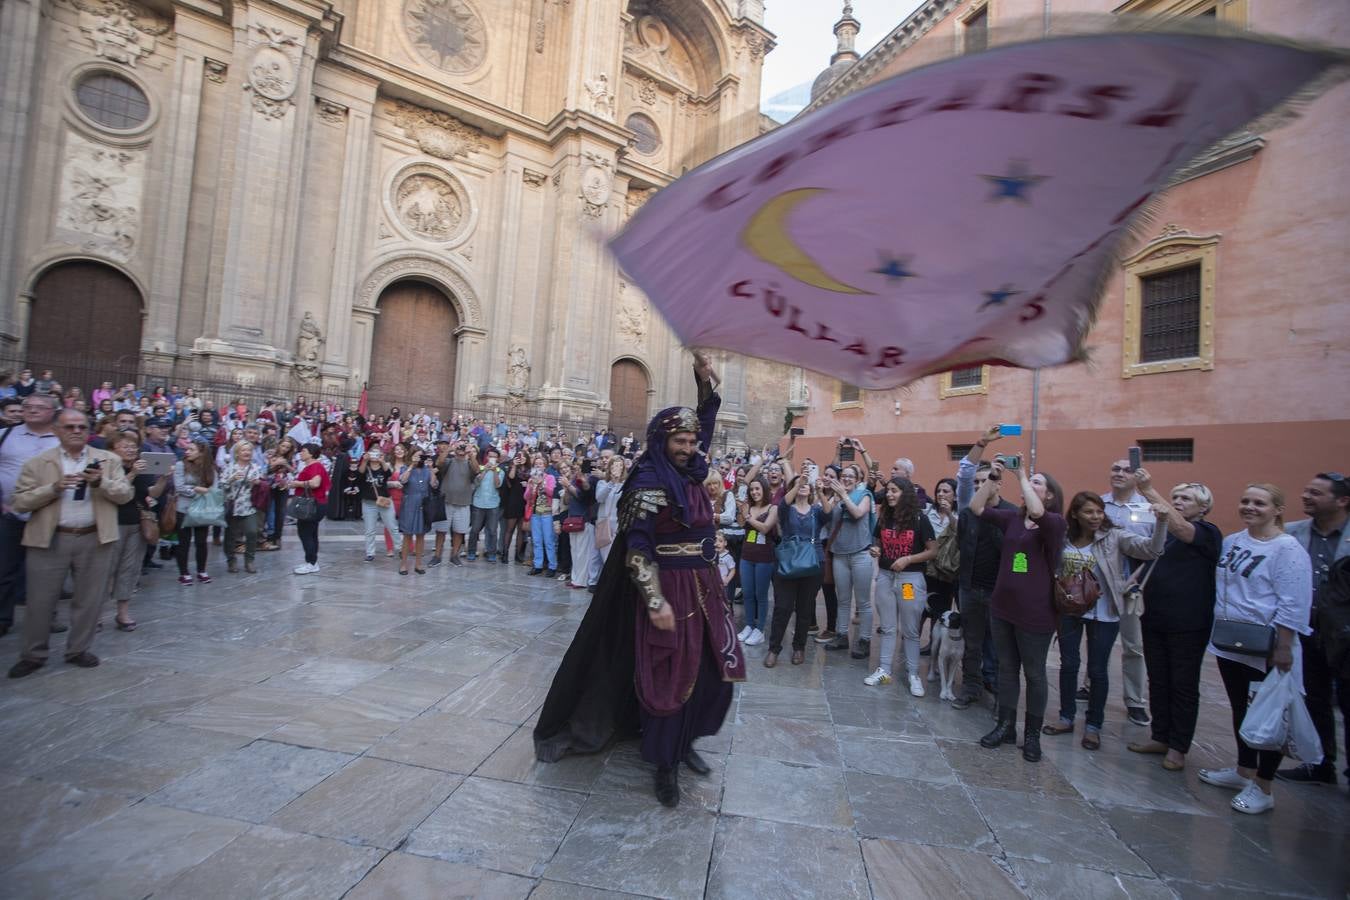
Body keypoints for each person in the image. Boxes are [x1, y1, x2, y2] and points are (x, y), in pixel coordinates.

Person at [534, 352, 745, 809]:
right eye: (682, 441)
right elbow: (638, 550)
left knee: (712, 673)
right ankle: (664, 763)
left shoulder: (687, 466)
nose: (691, 446)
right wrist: (654, 600)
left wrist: (703, 380)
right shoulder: (649, 479)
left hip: (707, 587)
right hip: (671, 591)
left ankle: (685, 742)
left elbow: (703, 424)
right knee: (672, 675)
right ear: (663, 441)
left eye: (693, 440)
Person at [1199, 484, 1312, 814]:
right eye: (1245, 500)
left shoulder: (1287, 549)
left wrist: (1285, 646)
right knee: (1240, 708)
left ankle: (1264, 785)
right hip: (1232, 640)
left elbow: (1294, 601)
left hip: (1268, 646)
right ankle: (1243, 770)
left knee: (1269, 715)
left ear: (1277, 509)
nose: (1249, 507)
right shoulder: (1233, 542)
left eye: (1259, 503)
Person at [6, 410, 131, 678]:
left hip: (94, 537)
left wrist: (101, 482)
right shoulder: (39, 463)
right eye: (70, 426)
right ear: (57, 430)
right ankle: (33, 654)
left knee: (89, 599)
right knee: (40, 601)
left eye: (82, 427)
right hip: (51, 538)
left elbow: (124, 494)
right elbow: (19, 502)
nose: (76, 431)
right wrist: (53, 488)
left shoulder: (108, 460)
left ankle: (78, 649)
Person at [1043, 489, 1167, 750]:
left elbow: (1152, 550)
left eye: (1099, 511)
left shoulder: (1115, 536)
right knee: (1068, 664)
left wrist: (1162, 523)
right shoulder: (1065, 538)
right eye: (1089, 511)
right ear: (1075, 514)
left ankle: (1093, 726)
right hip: (1070, 610)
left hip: (1105, 612)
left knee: (1098, 670)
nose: (1096, 516)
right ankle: (1066, 717)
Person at [969, 455, 1065, 762]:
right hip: (1003, 606)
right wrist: (994, 479)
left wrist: (1021, 472)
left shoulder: (1054, 523)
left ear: (1050, 494)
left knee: (1035, 674)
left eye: (1038, 482)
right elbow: (976, 508)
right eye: (1029, 481)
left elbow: (1037, 512)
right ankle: (1005, 725)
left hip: (1036, 612)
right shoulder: (1011, 519)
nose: (1030, 484)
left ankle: (1032, 734)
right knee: (1007, 669)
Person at [1125, 476, 1222, 771]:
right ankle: (1160, 736)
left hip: (1188, 622)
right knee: (1159, 678)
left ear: (1204, 507)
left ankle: (1178, 747)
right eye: (1176, 497)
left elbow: (1181, 528)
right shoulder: (1166, 534)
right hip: (1156, 616)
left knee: (1183, 684)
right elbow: (1152, 558)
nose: (1178, 502)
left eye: (1186, 499)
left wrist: (1147, 491)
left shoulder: (1206, 532)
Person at [1277, 472, 1350, 786]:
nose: (1306, 496)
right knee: (1315, 699)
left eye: (1316, 493)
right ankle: (1320, 763)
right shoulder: (1292, 533)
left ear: (1342, 500)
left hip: (1345, 635)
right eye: (1306, 491)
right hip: (1307, 631)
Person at [951, 426, 1012, 710]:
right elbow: (963, 473)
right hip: (969, 586)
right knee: (972, 641)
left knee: (999, 644)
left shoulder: (1012, 513)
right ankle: (972, 686)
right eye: (976, 483)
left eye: (985, 482)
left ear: (998, 483)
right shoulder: (967, 511)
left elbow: (1020, 555)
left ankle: (996, 684)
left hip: (1000, 591)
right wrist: (981, 444)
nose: (978, 487)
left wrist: (1016, 579)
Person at [867, 476, 937, 694]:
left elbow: (933, 550)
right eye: (888, 491)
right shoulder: (884, 517)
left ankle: (913, 674)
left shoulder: (919, 519)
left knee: (910, 629)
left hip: (909, 581)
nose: (889, 494)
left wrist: (908, 559)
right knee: (887, 627)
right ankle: (884, 670)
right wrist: (875, 549)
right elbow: (877, 541)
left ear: (905, 493)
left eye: (894, 491)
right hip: (886, 578)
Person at [0, 393, 62, 637]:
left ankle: (47, 618)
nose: (31, 410)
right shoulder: (5, 435)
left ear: (52, 411)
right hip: (10, 514)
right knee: (5, 570)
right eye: (28, 406)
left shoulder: (61, 439)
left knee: (48, 572)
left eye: (39, 407)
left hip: (48, 515)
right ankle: (3, 618)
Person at [1102, 457, 1156, 726]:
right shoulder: (1098, 505)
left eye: (1127, 470)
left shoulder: (1148, 508)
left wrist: (1139, 580)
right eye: (1115, 468)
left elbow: (1155, 551)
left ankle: (1135, 700)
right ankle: (1090, 686)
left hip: (1132, 587)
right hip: (1100, 586)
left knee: (1133, 646)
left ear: (1138, 477)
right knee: (1096, 641)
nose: (1120, 473)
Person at [766, 474, 829, 668]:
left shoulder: (816, 511)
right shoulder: (786, 510)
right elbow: (783, 504)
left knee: (805, 608)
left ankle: (799, 647)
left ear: (810, 490)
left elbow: (829, 513)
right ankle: (774, 649)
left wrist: (820, 491)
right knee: (782, 607)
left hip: (813, 563)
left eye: (805, 485)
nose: (802, 487)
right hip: (787, 563)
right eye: (798, 485)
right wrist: (797, 483)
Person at [108, 431, 167, 630]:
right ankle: (96, 614)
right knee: (106, 570)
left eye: (133, 447)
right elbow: (114, 493)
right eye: (125, 446)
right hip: (112, 522)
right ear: (113, 449)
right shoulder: (108, 466)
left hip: (137, 522)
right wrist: (132, 473)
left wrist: (163, 480)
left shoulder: (143, 467)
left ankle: (122, 613)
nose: (131, 450)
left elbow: (151, 493)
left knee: (130, 569)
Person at [824, 463, 875, 659]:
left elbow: (857, 513)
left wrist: (843, 495)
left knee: (863, 602)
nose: (846, 479)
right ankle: (842, 634)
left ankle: (864, 639)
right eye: (843, 476)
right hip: (839, 554)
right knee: (843, 599)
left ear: (857, 479)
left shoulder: (865, 496)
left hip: (860, 554)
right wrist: (830, 496)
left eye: (850, 476)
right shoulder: (837, 497)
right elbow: (828, 519)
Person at [736, 477, 776, 646]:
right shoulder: (749, 507)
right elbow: (740, 524)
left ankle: (760, 629)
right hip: (746, 555)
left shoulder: (773, 508)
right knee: (748, 593)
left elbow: (765, 528)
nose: (754, 492)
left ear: (764, 489)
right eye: (752, 489)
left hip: (764, 558)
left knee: (761, 595)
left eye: (757, 489)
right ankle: (749, 625)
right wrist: (742, 512)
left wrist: (748, 516)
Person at [171, 440, 216, 585]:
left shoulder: (210, 469)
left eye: (191, 449)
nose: (187, 452)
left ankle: (201, 570)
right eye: (187, 449)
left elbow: (214, 489)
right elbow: (179, 487)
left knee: (201, 542)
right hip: (184, 509)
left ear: (201, 453)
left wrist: (200, 491)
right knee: (183, 542)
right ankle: (183, 572)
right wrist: (198, 490)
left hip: (203, 510)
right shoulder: (180, 465)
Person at [220, 441, 265, 574]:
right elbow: (221, 487)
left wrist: (257, 482)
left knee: (252, 532)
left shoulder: (255, 467)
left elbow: (261, 484)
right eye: (243, 450)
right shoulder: (229, 467)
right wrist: (231, 479)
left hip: (249, 506)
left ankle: (249, 560)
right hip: (232, 506)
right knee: (230, 536)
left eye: (249, 450)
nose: (246, 453)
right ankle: (231, 560)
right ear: (237, 453)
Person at [431, 440, 476, 567]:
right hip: (446, 501)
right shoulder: (449, 461)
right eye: (459, 445)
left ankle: (454, 555)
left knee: (459, 531)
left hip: (463, 503)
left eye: (463, 445)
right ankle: (437, 556)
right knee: (441, 530)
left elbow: (477, 470)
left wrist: (470, 453)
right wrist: (449, 449)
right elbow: (439, 463)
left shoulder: (469, 463)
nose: (461, 448)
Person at [350, 447, 399, 563]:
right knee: (369, 529)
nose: (374, 456)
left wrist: (382, 461)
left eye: (377, 453)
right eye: (372, 453)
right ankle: (370, 553)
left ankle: (400, 548)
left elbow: (389, 474)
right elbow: (359, 474)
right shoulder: (365, 466)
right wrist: (364, 460)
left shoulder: (384, 466)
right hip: (368, 502)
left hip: (384, 500)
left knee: (392, 526)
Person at [288, 442, 330, 575]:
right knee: (311, 533)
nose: (301, 453)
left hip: (312, 504)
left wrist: (297, 483)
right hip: (316, 503)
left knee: (305, 533)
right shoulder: (313, 466)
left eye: (303, 451)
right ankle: (312, 561)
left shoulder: (315, 466)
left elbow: (315, 483)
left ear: (311, 453)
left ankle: (311, 562)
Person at [396, 445, 437, 575]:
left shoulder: (426, 470)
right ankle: (403, 564)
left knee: (421, 535)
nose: (419, 458)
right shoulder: (405, 467)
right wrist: (411, 465)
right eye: (417, 455)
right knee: (407, 535)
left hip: (423, 504)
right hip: (409, 504)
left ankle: (418, 563)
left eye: (421, 455)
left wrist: (431, 469)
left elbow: (434, 484)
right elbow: (402, 480)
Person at [467, 447, 504, 561]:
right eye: (490, 456)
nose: (491, 458)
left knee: (492, 530)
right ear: (486, 457)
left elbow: (498, 485)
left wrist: (494, 472)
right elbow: (477, 482)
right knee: (475, 530)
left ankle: (491, 552)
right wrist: (485, 470)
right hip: (479, 503)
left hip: (493, 504)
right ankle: (471, 551)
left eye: (494, 456)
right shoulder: (480, 468)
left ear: (497, 459)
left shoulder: (500, 471)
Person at [595, 455, 626, 569]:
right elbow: (599, 498)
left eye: (620, 465)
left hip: (619, 524)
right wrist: (611, 483)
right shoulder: (602, 483)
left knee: (617, 556)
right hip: (604, 523)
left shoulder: (625, 485)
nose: (617, 468)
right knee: (605, 557)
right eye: (614, 465)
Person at [498, 451, 529, 565]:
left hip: (525, 502)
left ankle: (518, 554)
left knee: (521, 531)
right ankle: (505, 553)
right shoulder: (512, 467)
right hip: (513, 500)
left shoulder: (530, 471)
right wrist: (514, 465)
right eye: (519, 456)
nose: (522, 458)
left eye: (524, 456)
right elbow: (511, 477)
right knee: (509, 529)